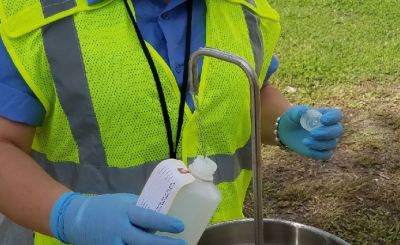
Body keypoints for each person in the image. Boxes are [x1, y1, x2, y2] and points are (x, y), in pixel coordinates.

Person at [0, 0, 343, 244]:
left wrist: (281, 122)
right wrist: (72, 216)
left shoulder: (243, 9)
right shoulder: (35, 15)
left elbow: (250, 88)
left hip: (219, 232)